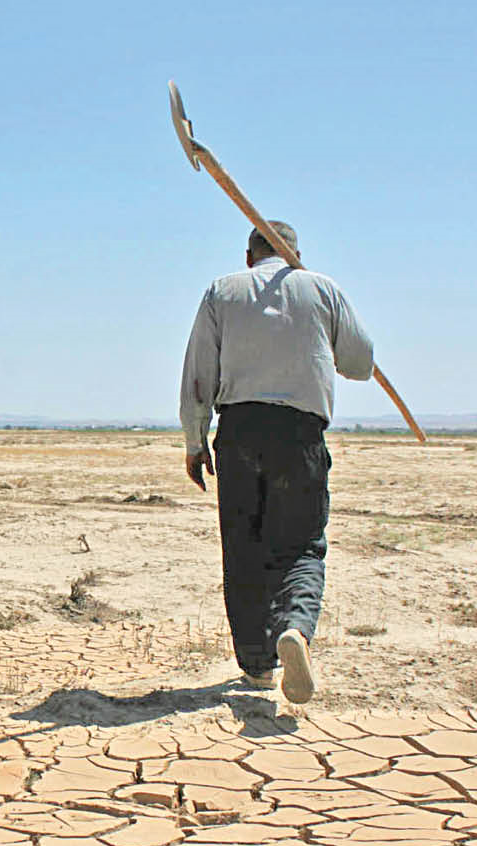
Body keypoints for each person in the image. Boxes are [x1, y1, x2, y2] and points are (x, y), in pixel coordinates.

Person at [179, 220, 374, 703]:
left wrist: (194, 439)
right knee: (302, 546)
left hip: (239, 433)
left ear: (249, 256)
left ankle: (256, 664)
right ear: (293, 253)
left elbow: (199, 374)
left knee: (243, 549)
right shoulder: (322, 290)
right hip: (299, 434)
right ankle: (294, 629)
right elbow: (361, 364)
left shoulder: (222, 291)